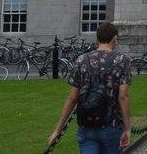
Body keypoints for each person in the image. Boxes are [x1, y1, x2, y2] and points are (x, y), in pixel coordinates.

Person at [48, 22, 131, 153]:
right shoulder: (122, 61)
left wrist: (58, 129)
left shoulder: (81, 60)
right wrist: (127, 128)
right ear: (115, 38)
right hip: (111, 125)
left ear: (97, 39)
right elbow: (123, 96)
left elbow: (72, 98)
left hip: (86, 126)